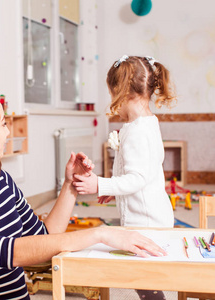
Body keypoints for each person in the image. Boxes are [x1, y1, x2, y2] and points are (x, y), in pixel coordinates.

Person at [0, 85, 166, 300]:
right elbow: (10, 252)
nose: (9, 132)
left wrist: (70, 186)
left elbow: (45, 235)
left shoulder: (0, 181)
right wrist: (101, 233)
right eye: (2, 124)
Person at [72, 55, 177, 300]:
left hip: (147, 221)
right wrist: (115, 187)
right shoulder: (143, 124)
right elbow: (136, 170)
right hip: (146, 215)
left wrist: (99, 183)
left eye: (112, 94)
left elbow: (138, 177)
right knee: (141, 276)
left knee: (142, 277)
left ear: (122, 92)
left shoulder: (139, 131)